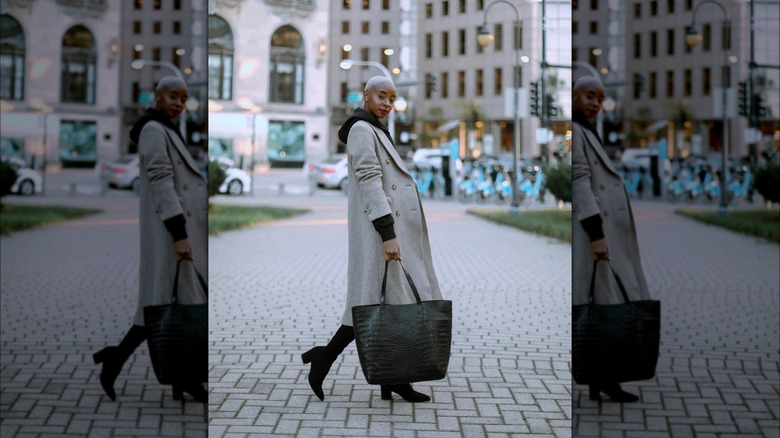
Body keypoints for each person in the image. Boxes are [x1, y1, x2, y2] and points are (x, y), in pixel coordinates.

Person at [302, 76, 442, 403]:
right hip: (379, 233)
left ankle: (386, 378)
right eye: (381, 96)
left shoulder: (374, 128)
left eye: (392, 99)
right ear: (365, 95)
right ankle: (334, 362)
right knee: (376, 304)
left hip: (384, 232)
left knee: (384, 303)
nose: (387, 103)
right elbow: (369, 181)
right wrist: (387, 234)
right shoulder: (362, 130)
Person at [93, 76, 208, 403]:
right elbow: (161, 181)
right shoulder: (153, 130)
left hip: (178, 232)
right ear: (156, 96)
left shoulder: (166, 128)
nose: (178, 103)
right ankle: (120, 362)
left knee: (173, 304)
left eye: (184, 99)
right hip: (170, 234)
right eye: (173, 96)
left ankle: (176, 379)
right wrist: (179, 235)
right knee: (166, 306)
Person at [571, 76, 652, 403]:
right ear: (574, 96)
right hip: (596, 234)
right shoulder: (576, 131)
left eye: (600, 98)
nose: (595, 103)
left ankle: (600, 379)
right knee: (605, 306)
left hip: (601, 233)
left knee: (606, 305)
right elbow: (580, 180)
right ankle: (604, 379)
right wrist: (597, 235)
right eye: (590, 96)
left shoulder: (588, 130)